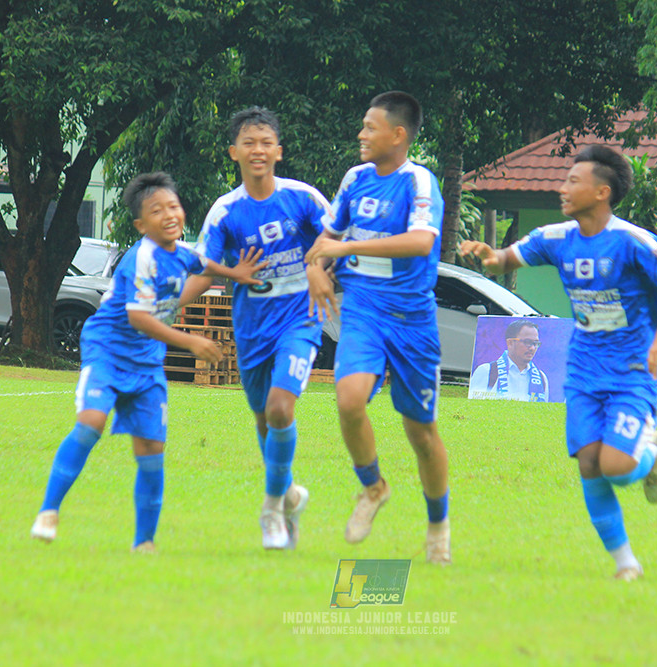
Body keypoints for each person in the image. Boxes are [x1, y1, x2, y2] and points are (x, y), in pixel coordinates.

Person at [460, 144, 657, 580]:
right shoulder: (556, 238)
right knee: (589, 463)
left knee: (616, 468)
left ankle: (650, 450)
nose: (563, 189)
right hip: (584, 370)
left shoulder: (632, 241)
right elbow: (507, 260)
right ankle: (626, 564)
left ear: (602, 192)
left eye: (573, 181)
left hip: (631, 372)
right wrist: (490, 257)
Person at [30, 172, 261, 553]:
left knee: (152, 450)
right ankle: (49, 511)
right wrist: (190, 341)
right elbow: (139, 318)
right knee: (91, 424)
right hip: (108, 351)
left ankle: (144, 543)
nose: (169, 215)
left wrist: (235, 273)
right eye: (157, 211)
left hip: (147, 362)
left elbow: (204, 265)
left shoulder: (181, 251)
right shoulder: (141, 258)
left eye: (173, 206)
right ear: (140, 225)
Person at [305, 91, 451, 564]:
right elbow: (327, 237)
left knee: (421, 433)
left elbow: (421, 241)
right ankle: (373, 487)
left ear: (398, 134)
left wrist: (346, 250)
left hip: (411, 320)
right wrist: (315, 269)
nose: (361, 134)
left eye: (370, 127)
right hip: (363, 310)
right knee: (349, 400)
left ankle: (438, 525)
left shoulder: (418, 181)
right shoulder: (355, 179)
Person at [181, 106, 335, 550]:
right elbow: (205, 270)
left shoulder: (303, 199)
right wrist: (162, 307)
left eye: (266, 143)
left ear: (279, 151)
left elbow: (335, 239)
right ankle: (290, 497)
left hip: (301, 320)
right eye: (249, 143)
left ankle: (270, 510)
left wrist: (318, 266)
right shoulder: (225, 212)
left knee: (281, 409)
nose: (258, 150)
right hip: (251, 330)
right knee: (265, 420)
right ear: (234, 152)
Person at [468, 318, 550, 402]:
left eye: (535, 343)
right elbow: (474, 406)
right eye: (527, 342)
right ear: (510, 343)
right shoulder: (487, 371)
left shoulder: (541, 378)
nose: (532, 348)